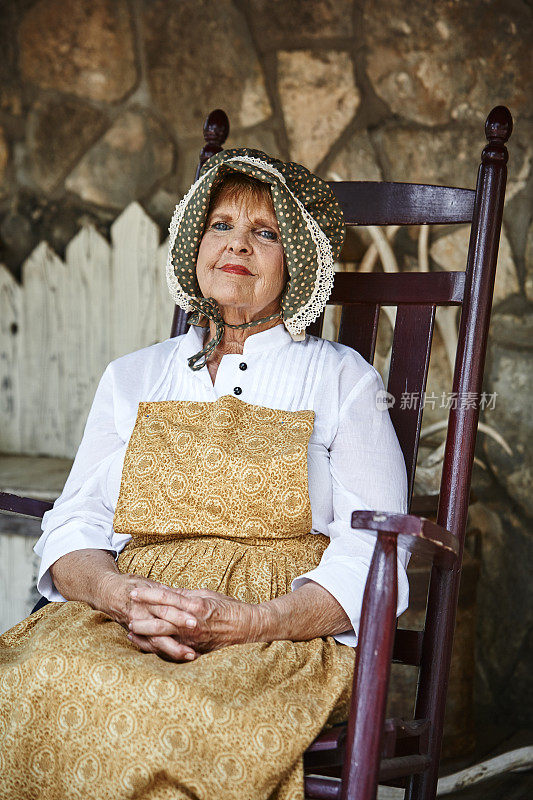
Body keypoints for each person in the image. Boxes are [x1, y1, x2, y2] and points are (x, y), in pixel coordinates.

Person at [0, 148, 409, 800]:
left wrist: (255, 620)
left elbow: (375, 542)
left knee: (186, 716)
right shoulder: (133, 376)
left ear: (296, 259)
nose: (236, 245)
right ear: (194, 243)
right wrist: (120, 597)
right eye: (220, 225)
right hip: (130, 615)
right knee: (32, 677)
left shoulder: (341, 379)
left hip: (273, 634)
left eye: (264, 232)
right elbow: (75, 523)